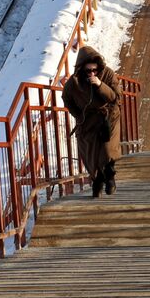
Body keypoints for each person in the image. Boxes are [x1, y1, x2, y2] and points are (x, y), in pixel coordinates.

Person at [61, 46, 123, 197]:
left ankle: (110, 177)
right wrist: (78, 114)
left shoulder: (107, 74)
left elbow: (116, 98)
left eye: (94, 70)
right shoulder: (74, 81)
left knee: (107, 150)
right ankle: (97, 179)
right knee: (89, 154)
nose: (92, 73)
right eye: (88, 71)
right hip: (87, 121)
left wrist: (100, 85)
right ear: (82, 69)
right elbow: (66, 98)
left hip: (108, 117)